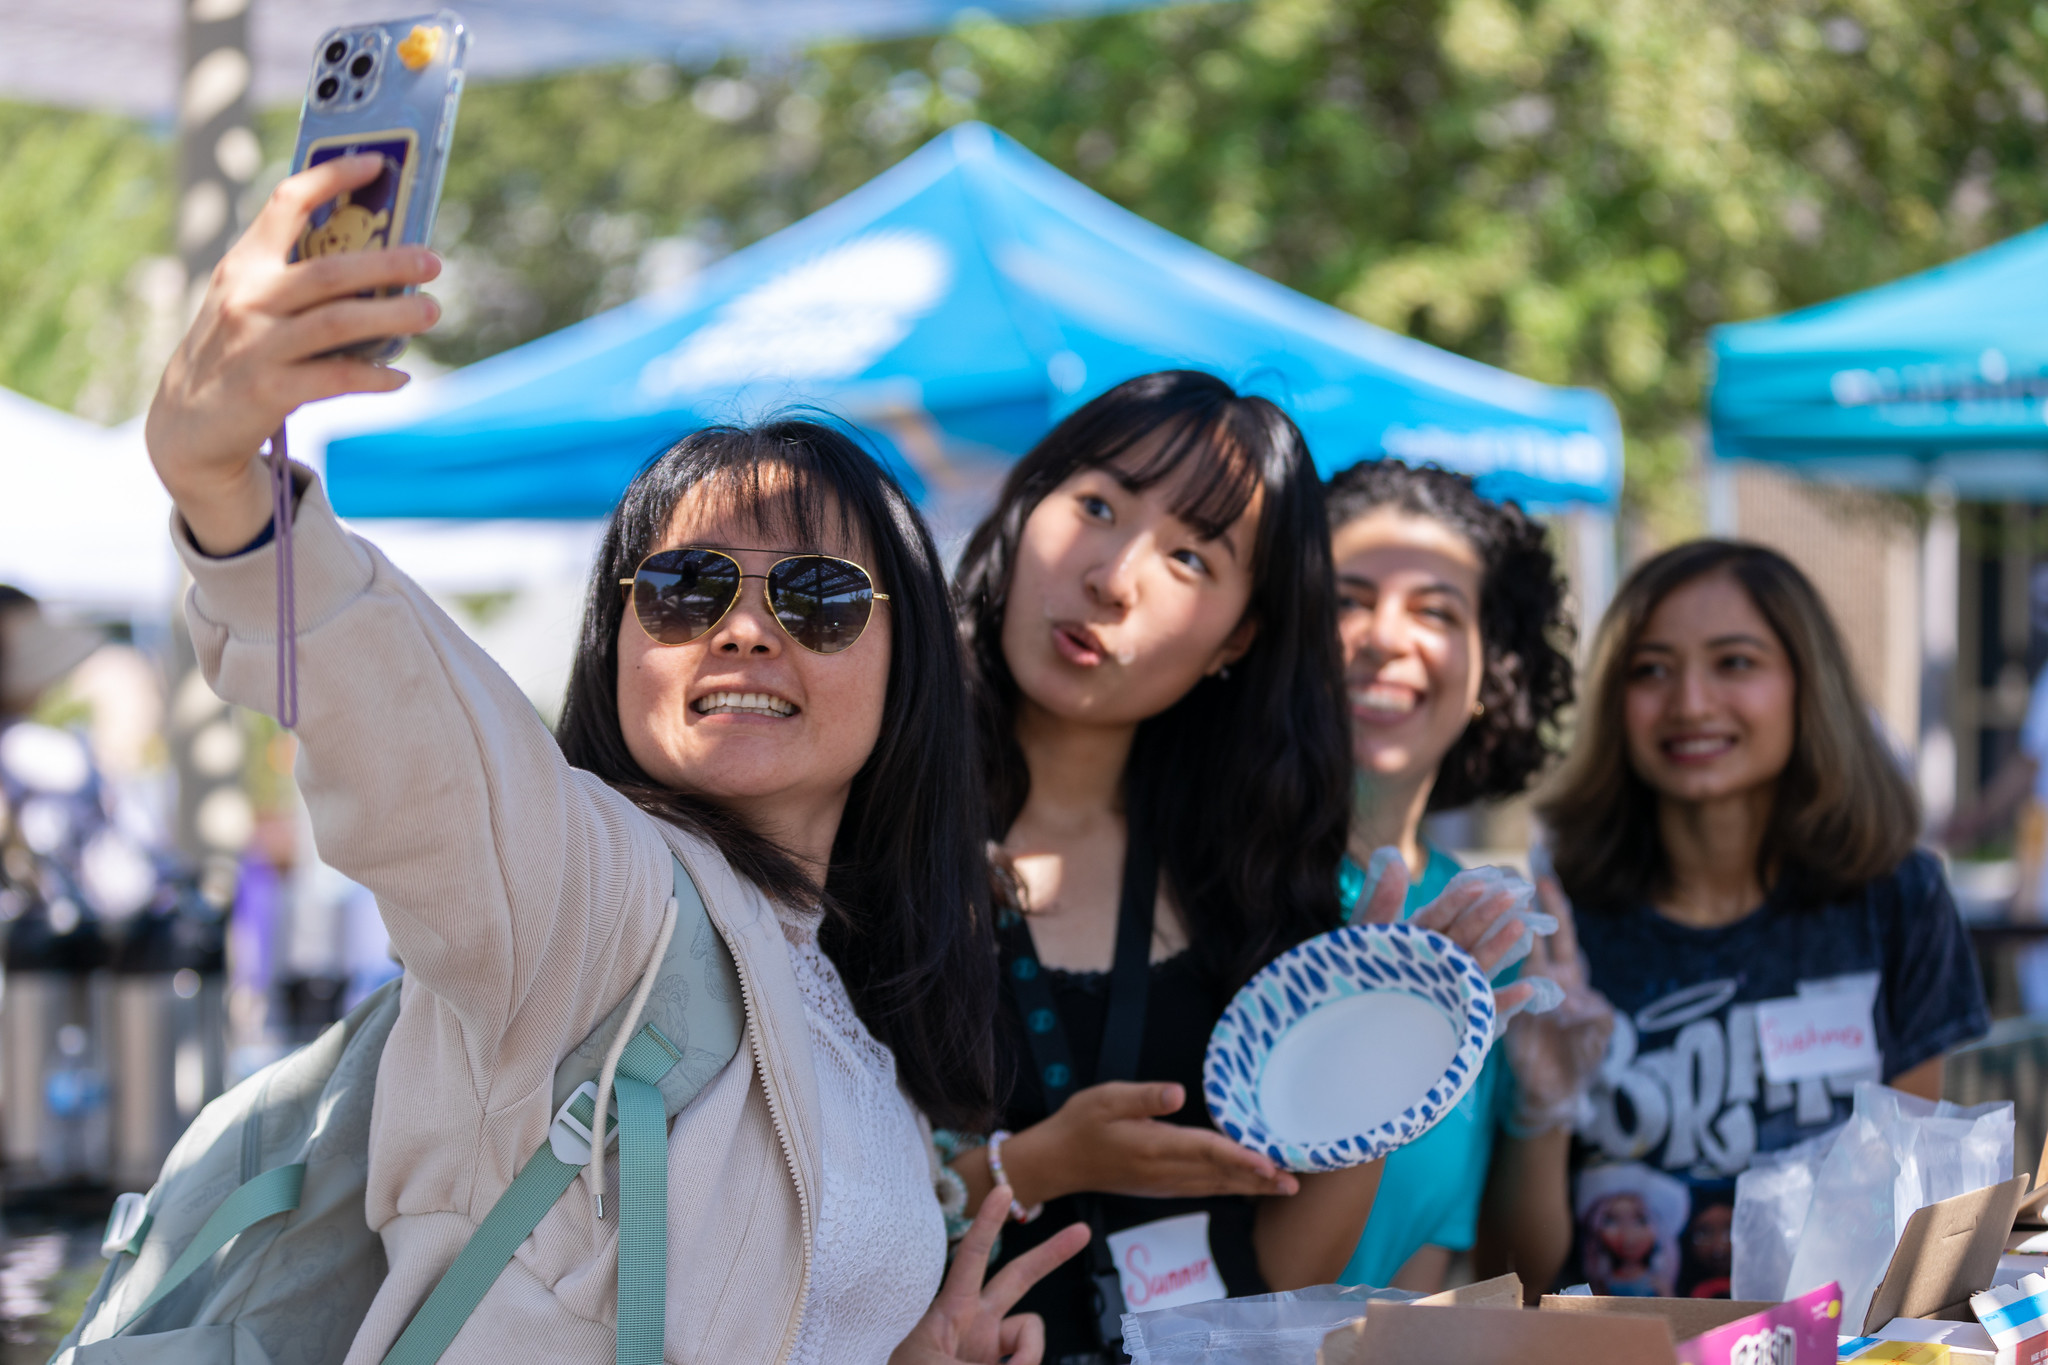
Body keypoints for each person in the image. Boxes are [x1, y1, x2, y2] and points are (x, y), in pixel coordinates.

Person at [143, 154, 1084, 1365]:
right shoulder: (590, 900)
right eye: (687, 590)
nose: (744, 627)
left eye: (817, 594)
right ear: (620, 644)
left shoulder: (843, 992)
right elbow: (416, 727)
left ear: (906, 664)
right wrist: (232, 498)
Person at [941, 372, 1540, 1361]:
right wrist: (1039, 1164)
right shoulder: (869, 831)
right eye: (1094, 505)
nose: (1111, 577)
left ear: (1239, 637)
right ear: (1024, 504)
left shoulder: (1247, 876)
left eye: (1188, 557)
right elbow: (799, 1205)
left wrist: (1385, 1046)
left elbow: (1287, 1278)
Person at [1538, 539, 1991, 1299]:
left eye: (1734, 662)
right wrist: (1539, 1107)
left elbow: (1912, 1213)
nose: (1690, 702)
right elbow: (1515, 1259)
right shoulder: (1559, 925)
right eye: (1651, 669)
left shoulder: (1897, 899)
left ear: (1806, 686)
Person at [1321, 459, 1611, 1298]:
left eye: (1436, 610)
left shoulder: (1488, 923)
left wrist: (1543, 1111)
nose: (1382, 636)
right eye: (1345, 600)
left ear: (1493, 671)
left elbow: (1507, 1274)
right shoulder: (1217, 885)